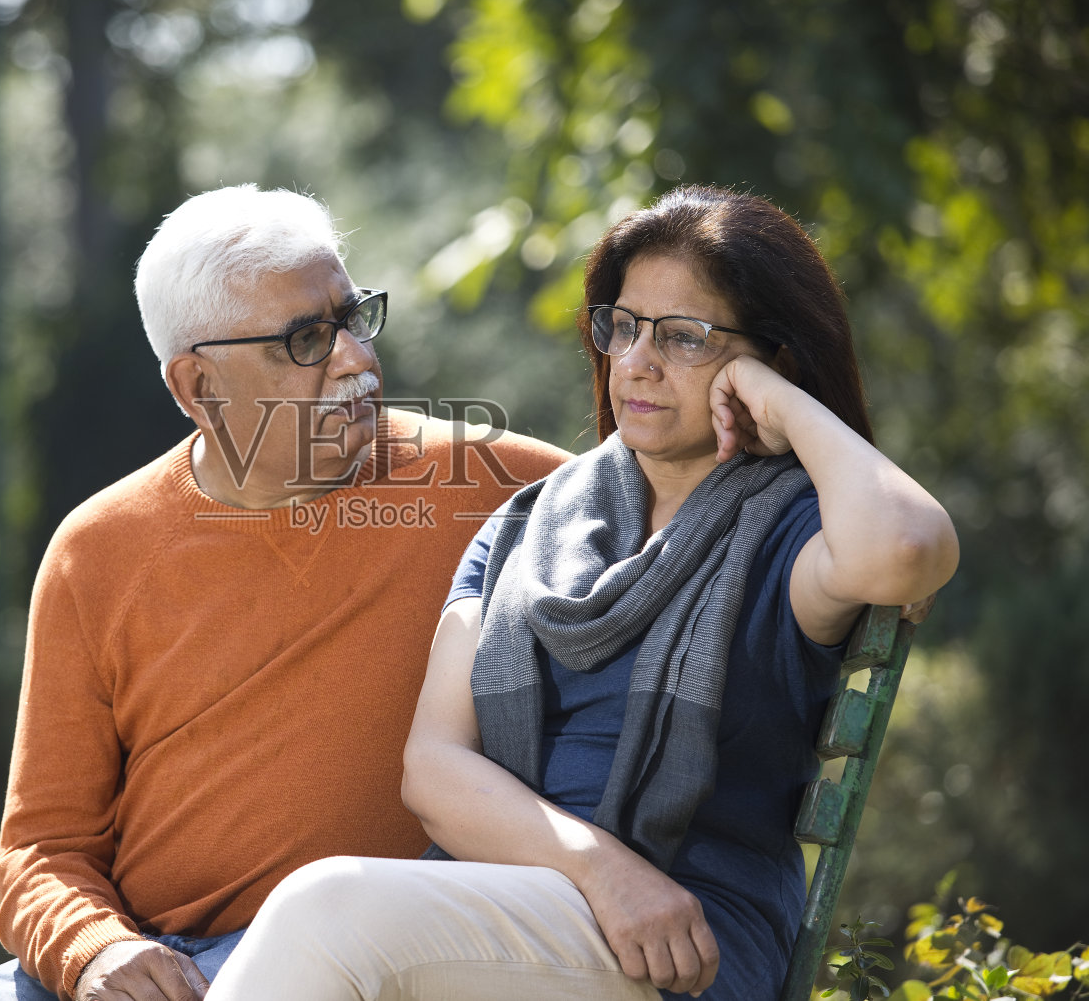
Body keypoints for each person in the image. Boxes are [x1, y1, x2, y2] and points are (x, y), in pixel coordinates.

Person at [207, 184, 960, 1001]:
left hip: (685, 943)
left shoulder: (785, 534)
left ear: (763, 359)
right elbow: (434, 766)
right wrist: (605, 872)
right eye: (625, 326)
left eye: (684, 337)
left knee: (327, 911)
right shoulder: (526, 528)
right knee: (326, 919)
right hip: (528, 911)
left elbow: (909, 545)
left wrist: (779, 401)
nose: (636, 361)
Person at [0, 184, 571, 1001]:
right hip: (140, 966)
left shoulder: (501, 487)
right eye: (306, 340)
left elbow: (685, 514)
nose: (357, 357)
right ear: (197, 387)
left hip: (363, 964)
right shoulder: (96, 551)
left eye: (353, 317)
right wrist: (93, 950)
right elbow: (41, 849)